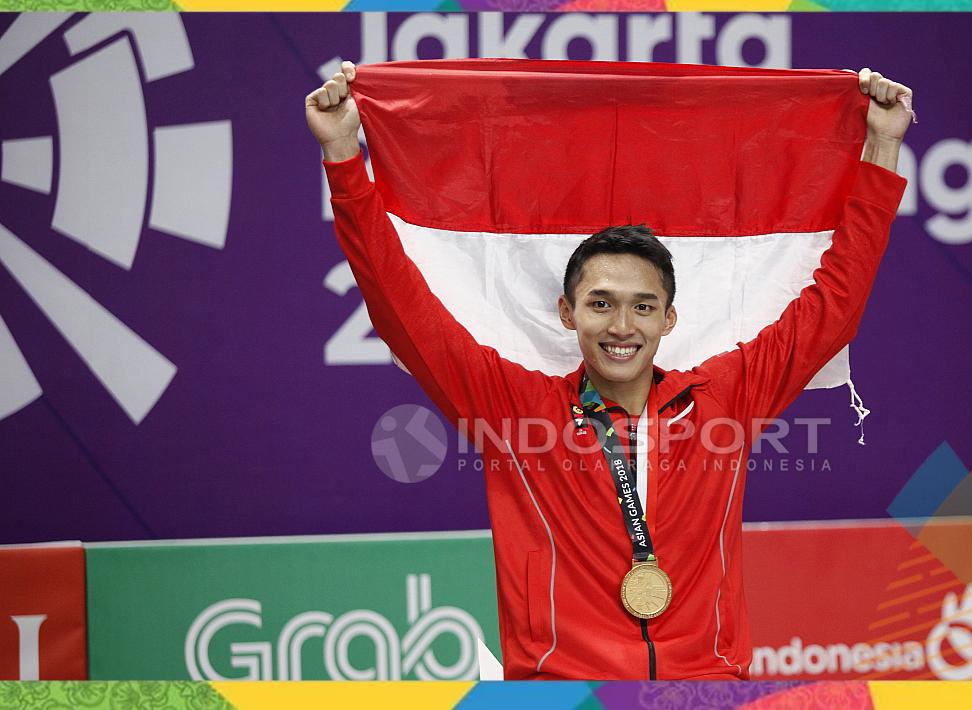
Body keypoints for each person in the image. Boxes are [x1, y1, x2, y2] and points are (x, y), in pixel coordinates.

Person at [307, 60, 911, 680]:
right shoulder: (514, 411)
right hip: (564, 692)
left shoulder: (726, 399)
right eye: (601, 304)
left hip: (705, 690)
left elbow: (833, 306)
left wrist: (883, 145)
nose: (622, 326)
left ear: (669, 320)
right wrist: (344, 155)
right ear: (567, 313)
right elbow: (399, 302)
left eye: (642, 307)